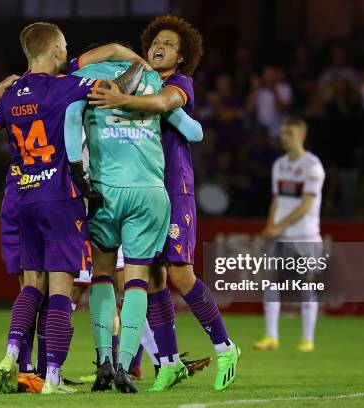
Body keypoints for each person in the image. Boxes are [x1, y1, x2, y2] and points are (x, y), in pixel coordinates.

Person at [0, 21, 145, 395]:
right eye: (65, 47)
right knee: (61, 292)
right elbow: (119, 92)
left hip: (20, 196)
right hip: (57, 195)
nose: (67, 54)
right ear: (54, 50)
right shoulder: (66, 86)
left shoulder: (12, 93)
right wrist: (140, 68)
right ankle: (51, 375)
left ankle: (14, 355)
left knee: (30, 286)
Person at [87, 15, 240, 392]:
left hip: (174, 187)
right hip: (142, 188)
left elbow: (165, 104)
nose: (160, 46)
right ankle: (168, 362)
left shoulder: (178, 83)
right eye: (156, 40)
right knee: (151, 277)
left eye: (169, 44)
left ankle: (225, 347)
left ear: (182, 56)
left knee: (179, 273)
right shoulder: (137, 77)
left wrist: (122, 100)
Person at [254, 117, 325, 353]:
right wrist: (270, 226)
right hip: (280, 235)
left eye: (290, 134)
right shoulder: (279, 164)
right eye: (283, 133)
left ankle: (308, 339)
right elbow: (277, 199)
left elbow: (306, 204)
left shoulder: (312, 166)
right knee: (271, 279)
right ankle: (271, 336)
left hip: (305, 235)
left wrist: (278, 225)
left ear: (301, 136)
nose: (284, 138)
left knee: (305, 284)